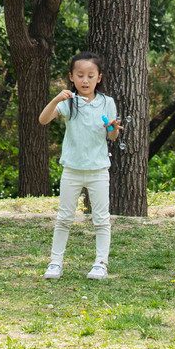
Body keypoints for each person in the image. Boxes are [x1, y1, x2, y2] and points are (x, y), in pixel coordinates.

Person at [38, 51, 122, 281]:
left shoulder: (107, 103)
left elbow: (113, 136)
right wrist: (56, 99)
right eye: (80, 75)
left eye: (90, 75)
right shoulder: (68, 103)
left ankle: (100, 264)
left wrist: (113, 128)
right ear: (72, 78)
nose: (85, 80)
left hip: (98, 171)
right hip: (72, 170)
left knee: (101, 219)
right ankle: (55, 263)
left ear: (99, 78)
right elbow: (43, 120)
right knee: (64, 218)